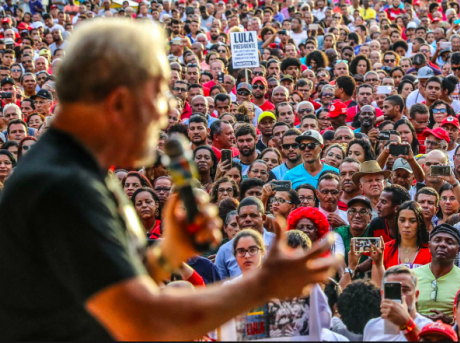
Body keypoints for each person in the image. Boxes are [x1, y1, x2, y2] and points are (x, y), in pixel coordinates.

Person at [0, 20, 337, 341]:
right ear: (118, 101)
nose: (166, 111)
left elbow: (115, 285)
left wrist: (170, 252)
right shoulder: (62, 186)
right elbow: (144, 320)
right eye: (159, 94)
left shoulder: (85, 173)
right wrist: (263, 286)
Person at [413, 224, 460, 323]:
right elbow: (400, 310)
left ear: (458, 250)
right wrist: (419, 319)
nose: (442, 244)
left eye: (449, 242)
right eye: (437, 240)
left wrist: (449, 321)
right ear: (429, 246)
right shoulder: (412, 276)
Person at [362, 266, 433, 341]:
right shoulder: (372, 326)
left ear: (416, 295)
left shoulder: (429, 327)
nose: (400, 295)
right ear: (383, 295)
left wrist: (407, 323)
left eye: (405, 290)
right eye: (392, 290)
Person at [214, 197, 276, 279]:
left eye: (253, 215)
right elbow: (220, 287)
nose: (248, 219)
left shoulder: (277, 242)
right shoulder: (225, 251)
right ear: (238, 219)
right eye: (243, 216)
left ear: (263, 218)